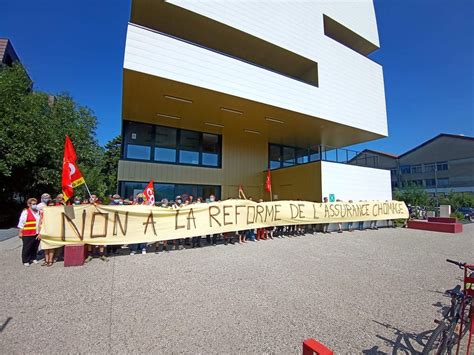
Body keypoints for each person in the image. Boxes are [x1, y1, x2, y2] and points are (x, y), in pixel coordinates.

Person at [17, 198, 41, 266]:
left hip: (36, 232)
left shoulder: (38, 212)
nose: (35, 205)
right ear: (28, 204)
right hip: (27, 233)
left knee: (35, 246)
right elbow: (21, 223)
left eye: (35, 204)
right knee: (27, 247)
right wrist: (20, 232)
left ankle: (33, 258)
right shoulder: (25, 212)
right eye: (33, 204)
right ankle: (25, 260)